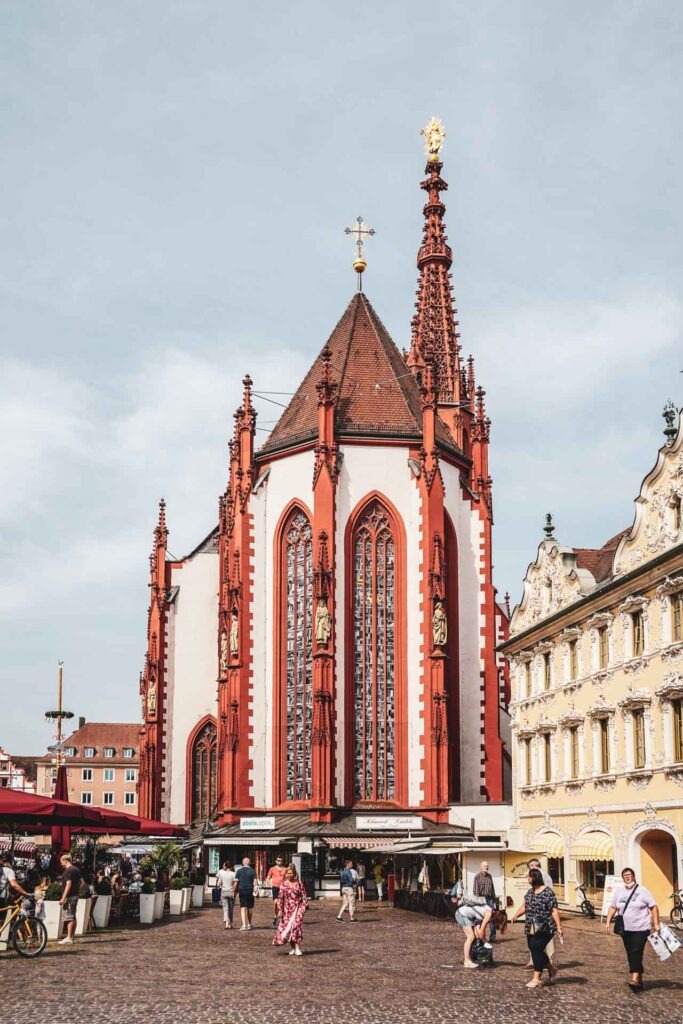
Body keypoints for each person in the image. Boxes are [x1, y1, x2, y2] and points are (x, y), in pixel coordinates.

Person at [605, 867, 660, 991]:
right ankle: (639, 978)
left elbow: (653, 907)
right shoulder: (619, 892)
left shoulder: (643, 891)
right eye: (624, 876)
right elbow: (613, 907)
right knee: (631, 953)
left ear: (634, 876)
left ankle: (634, 978)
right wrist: (608, 921)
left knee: (636, 950)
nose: (627, 877)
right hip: (625, 929)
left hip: (641, 928)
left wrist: (656, 923)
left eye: (629, 875)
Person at [512, 867, 563, 989]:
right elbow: (525, 906)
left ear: (534, 878)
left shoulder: (548, 892)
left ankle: (537, 979)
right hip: (531, 926)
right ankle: (551, 968)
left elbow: (554, 910)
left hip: (545, 927)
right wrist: (516, 915)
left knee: (536, 948)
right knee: (534, 948)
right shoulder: (530, 892)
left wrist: (559, 926)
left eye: (528, 877)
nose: (527, 879)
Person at [273, 863, 309, 956]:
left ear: (294, 873)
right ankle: (292, 947)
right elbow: (280, 898)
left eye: (291, 873)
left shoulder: (299, 883)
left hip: (298, 907)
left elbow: (304, 895)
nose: (289, 875)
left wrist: (305, 905)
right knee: (289, 928)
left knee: (296, 926)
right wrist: (280, 909)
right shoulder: (283, 884)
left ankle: (297, 947)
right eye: (287, 873)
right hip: (287, 909)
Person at [58, 853, 82, 945]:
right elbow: (81, 882)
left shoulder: (68, 871)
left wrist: (63, 897)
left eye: (61, 862)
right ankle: (71, 936)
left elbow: (69, 884)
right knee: (73, 916)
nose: (61, 864)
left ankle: (69, 938)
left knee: (69, 917)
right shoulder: (77, 869)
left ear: (65, 860)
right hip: (75, 895)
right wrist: (77, 891)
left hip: (69, 896)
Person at [473, 861, 497, 941]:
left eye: (487, 866)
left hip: (490, 899)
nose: (486, 868)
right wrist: (477, 901)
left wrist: (494, 899)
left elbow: (492, 888)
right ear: (481, 867)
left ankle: (492, 938)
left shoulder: (490, 876)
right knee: (480, 918)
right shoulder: (477, 877)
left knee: (492, 919)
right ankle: (479, 936)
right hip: (481, 899)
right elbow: (476, 891)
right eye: (484, 866)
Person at [234, 856, 257, 930]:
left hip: (242, 890)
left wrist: (234, 891)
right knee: (250, 908)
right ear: (249, 863)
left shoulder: (239, 871)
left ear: (243, 863)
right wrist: (256, 891)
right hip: (250, 890)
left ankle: (244, 925)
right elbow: (255, 883)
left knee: (243, 907)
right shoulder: (253, 871)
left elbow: (236, 883)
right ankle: (249, 923)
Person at [266, 857, 287, 929]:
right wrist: (270, 885)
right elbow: (267, 878)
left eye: (281, 860)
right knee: (276, 903)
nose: (280, 862)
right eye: (278, 860)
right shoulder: (272, 869)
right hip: (275, 887)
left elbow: (287, 878)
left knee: (281, 903)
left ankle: (279, 918)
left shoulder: (285, 869)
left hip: (283, 888)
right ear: (276, 861)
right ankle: (276, 916)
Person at [216, 860, 236, 930]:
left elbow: (219, 883)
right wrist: (234, 891)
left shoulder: (222, 874)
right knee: (231, 908)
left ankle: (227, 923)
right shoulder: (233, 874)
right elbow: (235, 883)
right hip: (231, 892)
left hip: (224, 891)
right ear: (231, 867)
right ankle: (229, 923)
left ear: (226, 866)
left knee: (225, 908)